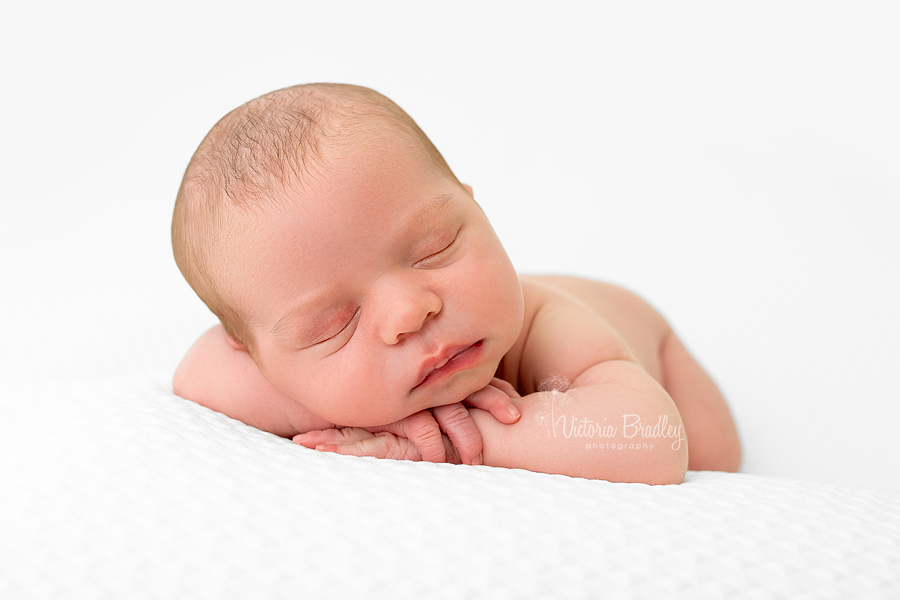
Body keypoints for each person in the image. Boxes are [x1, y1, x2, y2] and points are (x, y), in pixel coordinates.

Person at [172, 83, 741, 484]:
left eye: (434, 250)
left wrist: (455, 442)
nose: (410, 312)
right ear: (257, 355)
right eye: (335, 324)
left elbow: (652, 441)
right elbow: (196, 373)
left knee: (714, 461)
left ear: (475, 208)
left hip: (654, 349)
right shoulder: (265, 358)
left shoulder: (546, 329)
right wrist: (352, 409)